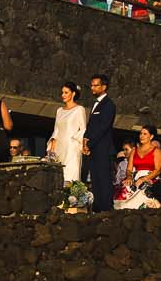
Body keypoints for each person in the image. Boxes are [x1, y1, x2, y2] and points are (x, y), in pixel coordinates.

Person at [85, 73, 117, 212]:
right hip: (93, 148)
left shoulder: (109, 105)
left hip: (103, 148)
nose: (93, 88)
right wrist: (85, 141)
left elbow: (103, 127)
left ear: (104, 87)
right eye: (91, 85)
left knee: (104, 179)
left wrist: (89, 142)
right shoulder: (95, 104)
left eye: (96, 85)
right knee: (95, 178)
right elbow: (90, 126)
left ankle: (106, 209)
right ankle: (98, 208)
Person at [50, 82, 88, 186]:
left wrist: (74, 141)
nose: (63, 95)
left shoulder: (79, 109)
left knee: (70, 175)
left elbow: (83, 129)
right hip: (59, 147)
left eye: (66, 92)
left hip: (72, 147)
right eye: (62, 92)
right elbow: (56, 130)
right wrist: (52, 149)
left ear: (73, 94)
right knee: (58, 175)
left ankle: (71, 199)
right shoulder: (59, 111)